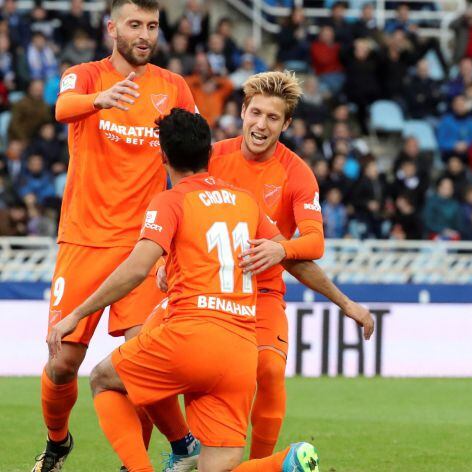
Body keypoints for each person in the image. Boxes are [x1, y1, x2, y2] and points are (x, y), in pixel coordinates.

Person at [47, 108, 319, 472]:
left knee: (105, 379)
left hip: (190, 336)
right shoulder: (245, 201)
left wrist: (77, 314)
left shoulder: (171, 201)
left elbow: (135, 268)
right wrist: (348, 303)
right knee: (215, 467)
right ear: (209, 154)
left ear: (163, 157)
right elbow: (295, 256)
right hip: (240, 349)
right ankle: (282, 463)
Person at [153, 70, 375, 460]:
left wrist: (282, 251)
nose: (261, 124)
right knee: (148, 357)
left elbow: (314, 242)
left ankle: (261, 465)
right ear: (242, 111)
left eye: (273, 118)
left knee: (269, 370)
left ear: (286, 124)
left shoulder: (296, 173)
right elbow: (177, 211)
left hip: (262, 293)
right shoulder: (211, 156)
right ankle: (183, 447)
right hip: (201, 289)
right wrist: (163, 259)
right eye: (255, 113)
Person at [34, 1, 197, 470]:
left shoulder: (173, 86)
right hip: (84, 240)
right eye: (135, 25)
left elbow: (193, 148)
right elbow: (62, 107)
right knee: (63, 362)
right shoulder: (85, 75)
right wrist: (98, 101)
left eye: (152, 26)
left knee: (141, 360)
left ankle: (138, 462)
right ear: (112, 29)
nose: (145, 34)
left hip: (144, 246)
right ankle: (58, 440)